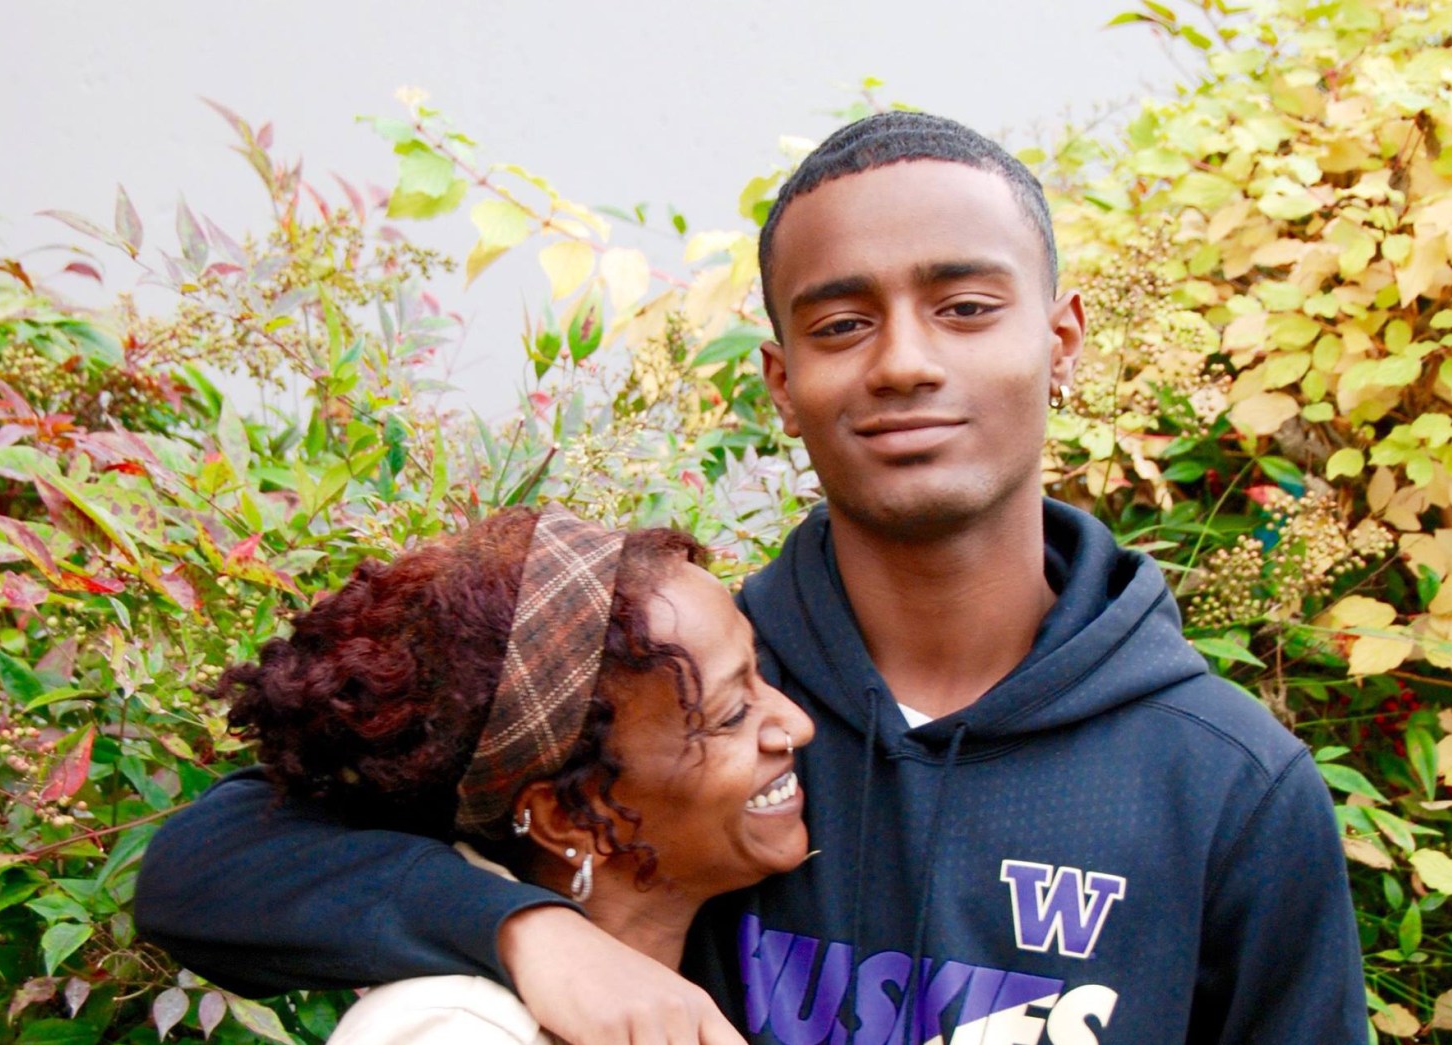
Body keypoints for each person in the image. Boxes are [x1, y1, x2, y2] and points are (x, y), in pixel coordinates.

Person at [137, 111, 1368, 1044]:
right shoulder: (667, 694)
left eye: (964, 306)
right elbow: (207, 864)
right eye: (839, 325)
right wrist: (531, 931)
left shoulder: (1223, 786)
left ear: (1059, 339)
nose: (900, 363)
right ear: (780, 385)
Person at [187, 503, 814, 1043]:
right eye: (732, 714)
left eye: (761, 676)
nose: (797, 724)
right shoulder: (456, 1030)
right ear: (568, 818)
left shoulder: (707, 959)